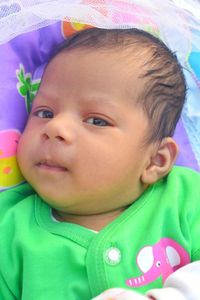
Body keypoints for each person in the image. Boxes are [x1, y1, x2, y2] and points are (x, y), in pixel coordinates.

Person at [0, 28, 200, 300]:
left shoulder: (185, 198)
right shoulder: (10, 229)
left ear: (156, 160)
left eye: (96, 120)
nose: (55, 127)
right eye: (44, 112)